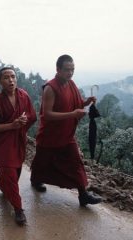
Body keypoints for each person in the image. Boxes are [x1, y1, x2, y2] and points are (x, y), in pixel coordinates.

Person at [30, 54, 102, 206]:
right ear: (58, 69)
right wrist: (72, 114)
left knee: (75, 162)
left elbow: (75, 103)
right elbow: (46, 114)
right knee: (42, 162)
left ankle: (83, 194)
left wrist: (86, 102)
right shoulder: (50, 88)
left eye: (72, 70)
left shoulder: (71, 84)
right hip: (50, 135)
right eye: (67, 70)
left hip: (67, 134)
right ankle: (36, 180)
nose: (70, 73)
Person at [0, 67, 37, 225]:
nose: (10, 80)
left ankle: (3, 185)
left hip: (18, 140)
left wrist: (22, 124)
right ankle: (18, 209)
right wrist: (12, 125)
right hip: (2, 143)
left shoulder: (24, 95)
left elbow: (32, 116)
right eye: (6, 77)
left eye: (13, 77)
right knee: (9, 171)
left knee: (15, 172)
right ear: (0, 82)